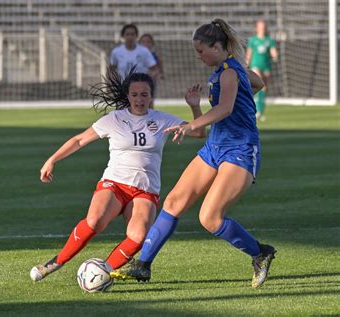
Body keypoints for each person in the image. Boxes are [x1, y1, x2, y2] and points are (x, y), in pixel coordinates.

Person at [111, 18, 276, 289]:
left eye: (201, 51)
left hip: (240, 149)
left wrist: (191, 125)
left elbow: (225, 109)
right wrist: (196, 109)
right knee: (174, 202)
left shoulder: (229, 72)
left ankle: (261, 253)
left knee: (210, 218)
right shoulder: (229, 69)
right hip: (215, 147)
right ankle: (143, 265)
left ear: (217, 46)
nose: (198, 56)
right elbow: (256, 84)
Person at [29, 67, 206, 282]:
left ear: (151, 96)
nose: (139, 99)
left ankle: (103, 273)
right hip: (114, 184)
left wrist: (195, 106)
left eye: (144, 94)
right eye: (134, 95)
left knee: (139, 236)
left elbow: (198, 132)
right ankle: (56, 262)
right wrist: (52, 160)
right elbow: (79, 140)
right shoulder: (114, 119)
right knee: (95, 221)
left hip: (145, 190)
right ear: (127, 96)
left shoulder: (161, 119)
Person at [246, 19, 278, 122]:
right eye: (260, 27)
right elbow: (249, 54)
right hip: (255, 65)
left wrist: (275, 55)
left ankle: (260, 111)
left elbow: (273, 52)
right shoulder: (253, 40)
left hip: (266, 66)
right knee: (259, 84)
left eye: (263, 27)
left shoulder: (269, 40)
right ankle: (256, 111)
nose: (262, 29)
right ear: (257, 28)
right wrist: (246, 64)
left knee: (264, 88)